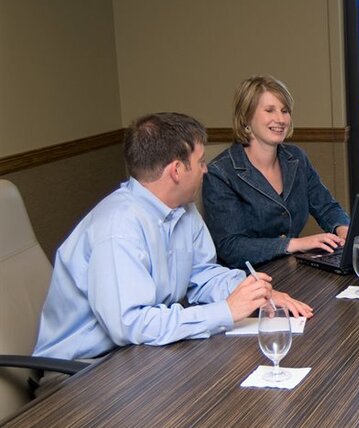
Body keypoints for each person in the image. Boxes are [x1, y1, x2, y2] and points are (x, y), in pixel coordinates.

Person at [33, 112, 313, 362]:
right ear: (177, 171)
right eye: (200, 161)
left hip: (142, 353)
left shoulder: (183, 210)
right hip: (84, 370)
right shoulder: (117, 229)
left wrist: (251, 292)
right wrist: (226, 311)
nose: (206, 169)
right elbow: (132, 324)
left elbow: (202, 274)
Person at [202, 75, 349, 268]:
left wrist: (344, 229)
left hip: (291, 268)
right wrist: (294, 244)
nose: (280, 119)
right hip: (246, 280)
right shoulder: (221, 173)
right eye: (270, 110)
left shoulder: (296, 158)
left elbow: (327, 206)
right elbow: (230, 247)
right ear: (246, 117)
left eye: (285, 111)